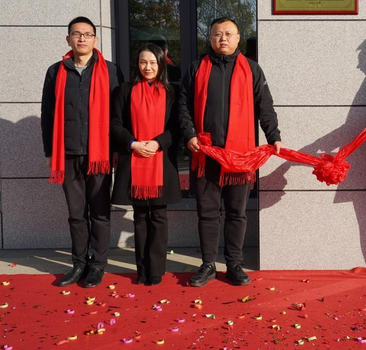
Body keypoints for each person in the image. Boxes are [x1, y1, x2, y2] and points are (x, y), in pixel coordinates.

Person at [179, 17, 282, 287]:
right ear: (210, 38)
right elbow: (183, 106)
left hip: (240, 156)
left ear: (238, 38)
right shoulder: (196, 68)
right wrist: (189, 134)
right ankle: (208, 265)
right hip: (206, 153)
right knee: (207, 212)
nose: (222, 38)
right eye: (217, 34)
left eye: (228, 33)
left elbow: (265, 106)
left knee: (237, 212)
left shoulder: (252, 69)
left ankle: (234, 264)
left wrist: (274, 136)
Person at [41, 16, 123, 287]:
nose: (82, 38)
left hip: (100, 155)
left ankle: (97, 265)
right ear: (68, 39)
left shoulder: (110, 71)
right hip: (67, 154)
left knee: (99, 212)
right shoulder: (56, 71)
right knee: (76, 214)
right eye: (77, 34)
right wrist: (49, 151)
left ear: (95, 39)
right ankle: (79, 263)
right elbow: (47, 113)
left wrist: (118, 150)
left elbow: (119, 114)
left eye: (87, 34)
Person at [111, 44, 181, 286]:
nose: (147, 67)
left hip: (162, 161)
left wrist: (158, 142)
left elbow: (177, 127)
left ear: (161, 64)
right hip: (133, 158)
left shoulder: (172, 92)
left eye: (152, 62)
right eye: (143, 62)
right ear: (137, 64)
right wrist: (133, 143)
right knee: (140, 216)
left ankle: (156, 271)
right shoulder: (124, 90)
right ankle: (142, 270)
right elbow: (115, 124)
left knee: (159, 216)